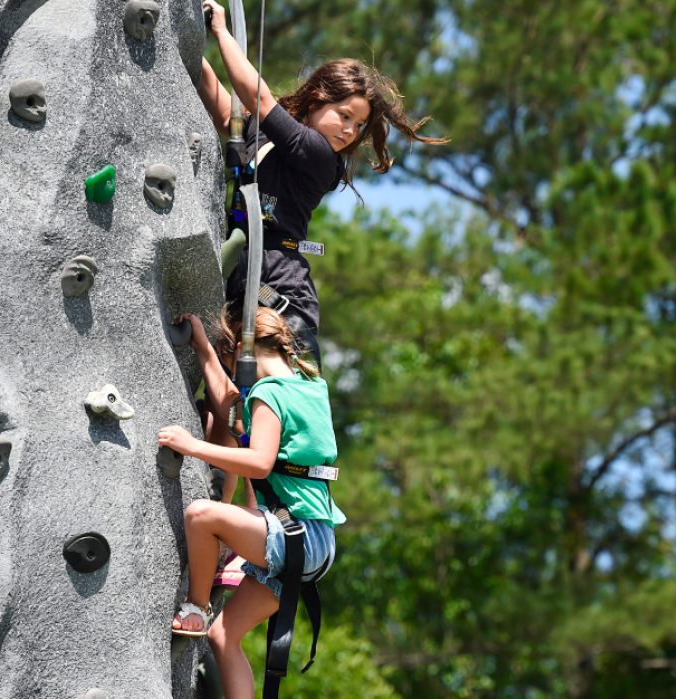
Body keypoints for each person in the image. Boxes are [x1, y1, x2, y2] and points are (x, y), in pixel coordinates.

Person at [198, 0, 448, 369]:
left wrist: (220, 30)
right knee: (225, 407)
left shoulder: (318, 156)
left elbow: (259, 98)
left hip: (279, 291)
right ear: (316, 100)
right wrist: (183, 41)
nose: (350, 131)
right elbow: (224, 110)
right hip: (241, 283)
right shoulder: (269, 139)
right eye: (344, 115)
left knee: (272, 399)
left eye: (359, 124)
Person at [159, 308, 345, 699]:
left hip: (295, 535)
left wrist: (194, 446)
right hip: (316, 542)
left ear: (240, 355)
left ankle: (195, 607)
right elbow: (230, 400)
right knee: (224, 638)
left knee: (201, 515)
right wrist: (204, 347)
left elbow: (260, 463)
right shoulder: (312, 387)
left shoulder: (268, 393)